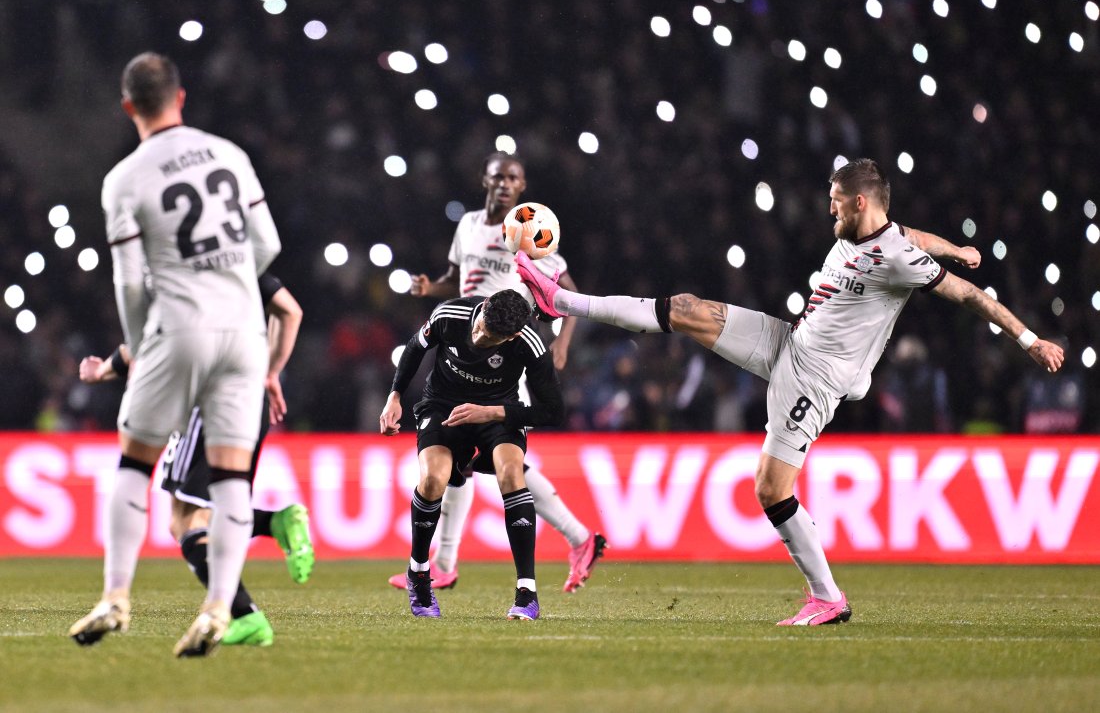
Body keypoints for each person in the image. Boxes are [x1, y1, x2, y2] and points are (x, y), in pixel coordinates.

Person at [515, 158, 1065, 625]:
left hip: (818, 376)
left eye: (834, 201)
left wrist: (1029, 338)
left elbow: (970, 297)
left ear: (857, 204)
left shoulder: (894, 259)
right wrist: (957, 247)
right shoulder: (888, 235)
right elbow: (915, 236)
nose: (828, 209)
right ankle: (560, 302)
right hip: (789, 342)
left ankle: (827, 598)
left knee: (770, 490)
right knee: (685, 309)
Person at [68, 52, 282, 656]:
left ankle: (115, 596)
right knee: (231, 477)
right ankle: (219, 606)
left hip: (179, 327)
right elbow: (267, 244)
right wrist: (229, 276)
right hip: (244, 330)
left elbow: (130, 282)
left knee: (136, 464)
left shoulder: (125, 179)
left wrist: (138, 345)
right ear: (181, 98)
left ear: (129, 106)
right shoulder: (231, 155)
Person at [391, 151, 604, 594]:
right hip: (465, 335)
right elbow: (459, 276)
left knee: (497, 459)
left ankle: (576, 536)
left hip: (507, 351)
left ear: (522, 186)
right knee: (459, 456)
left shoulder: (526, 232)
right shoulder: (468, 224)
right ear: (484, 180)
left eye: (513, 178)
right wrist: (432, 288)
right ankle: (446, 563)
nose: (505, 184)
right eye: (498, 177)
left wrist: (561, 344)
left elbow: (570, 293)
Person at [76, 272, 313, 647]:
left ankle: (245, 613)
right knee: (214, 504)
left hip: (204, 395)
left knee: (185, 519)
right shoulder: (240, 258)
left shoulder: (173, 262)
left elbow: (151, 337)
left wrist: (103, 370)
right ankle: (273, 524)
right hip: (247, 391)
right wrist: (270, 372)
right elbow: (290, 311)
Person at [379, 289, 564, 620]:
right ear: (485, 307)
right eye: (482, 328)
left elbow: (552, 411)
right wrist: (394, 396)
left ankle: (527, 593)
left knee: (511, 472)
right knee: (433, 479)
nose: (480, 339)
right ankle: (419, 574)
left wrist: (491, 413)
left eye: (492, 339)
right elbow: (414, 348)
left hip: (496, 413)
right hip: (442, 407)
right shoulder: (449, 315)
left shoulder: (529, 345)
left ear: (513, 336)